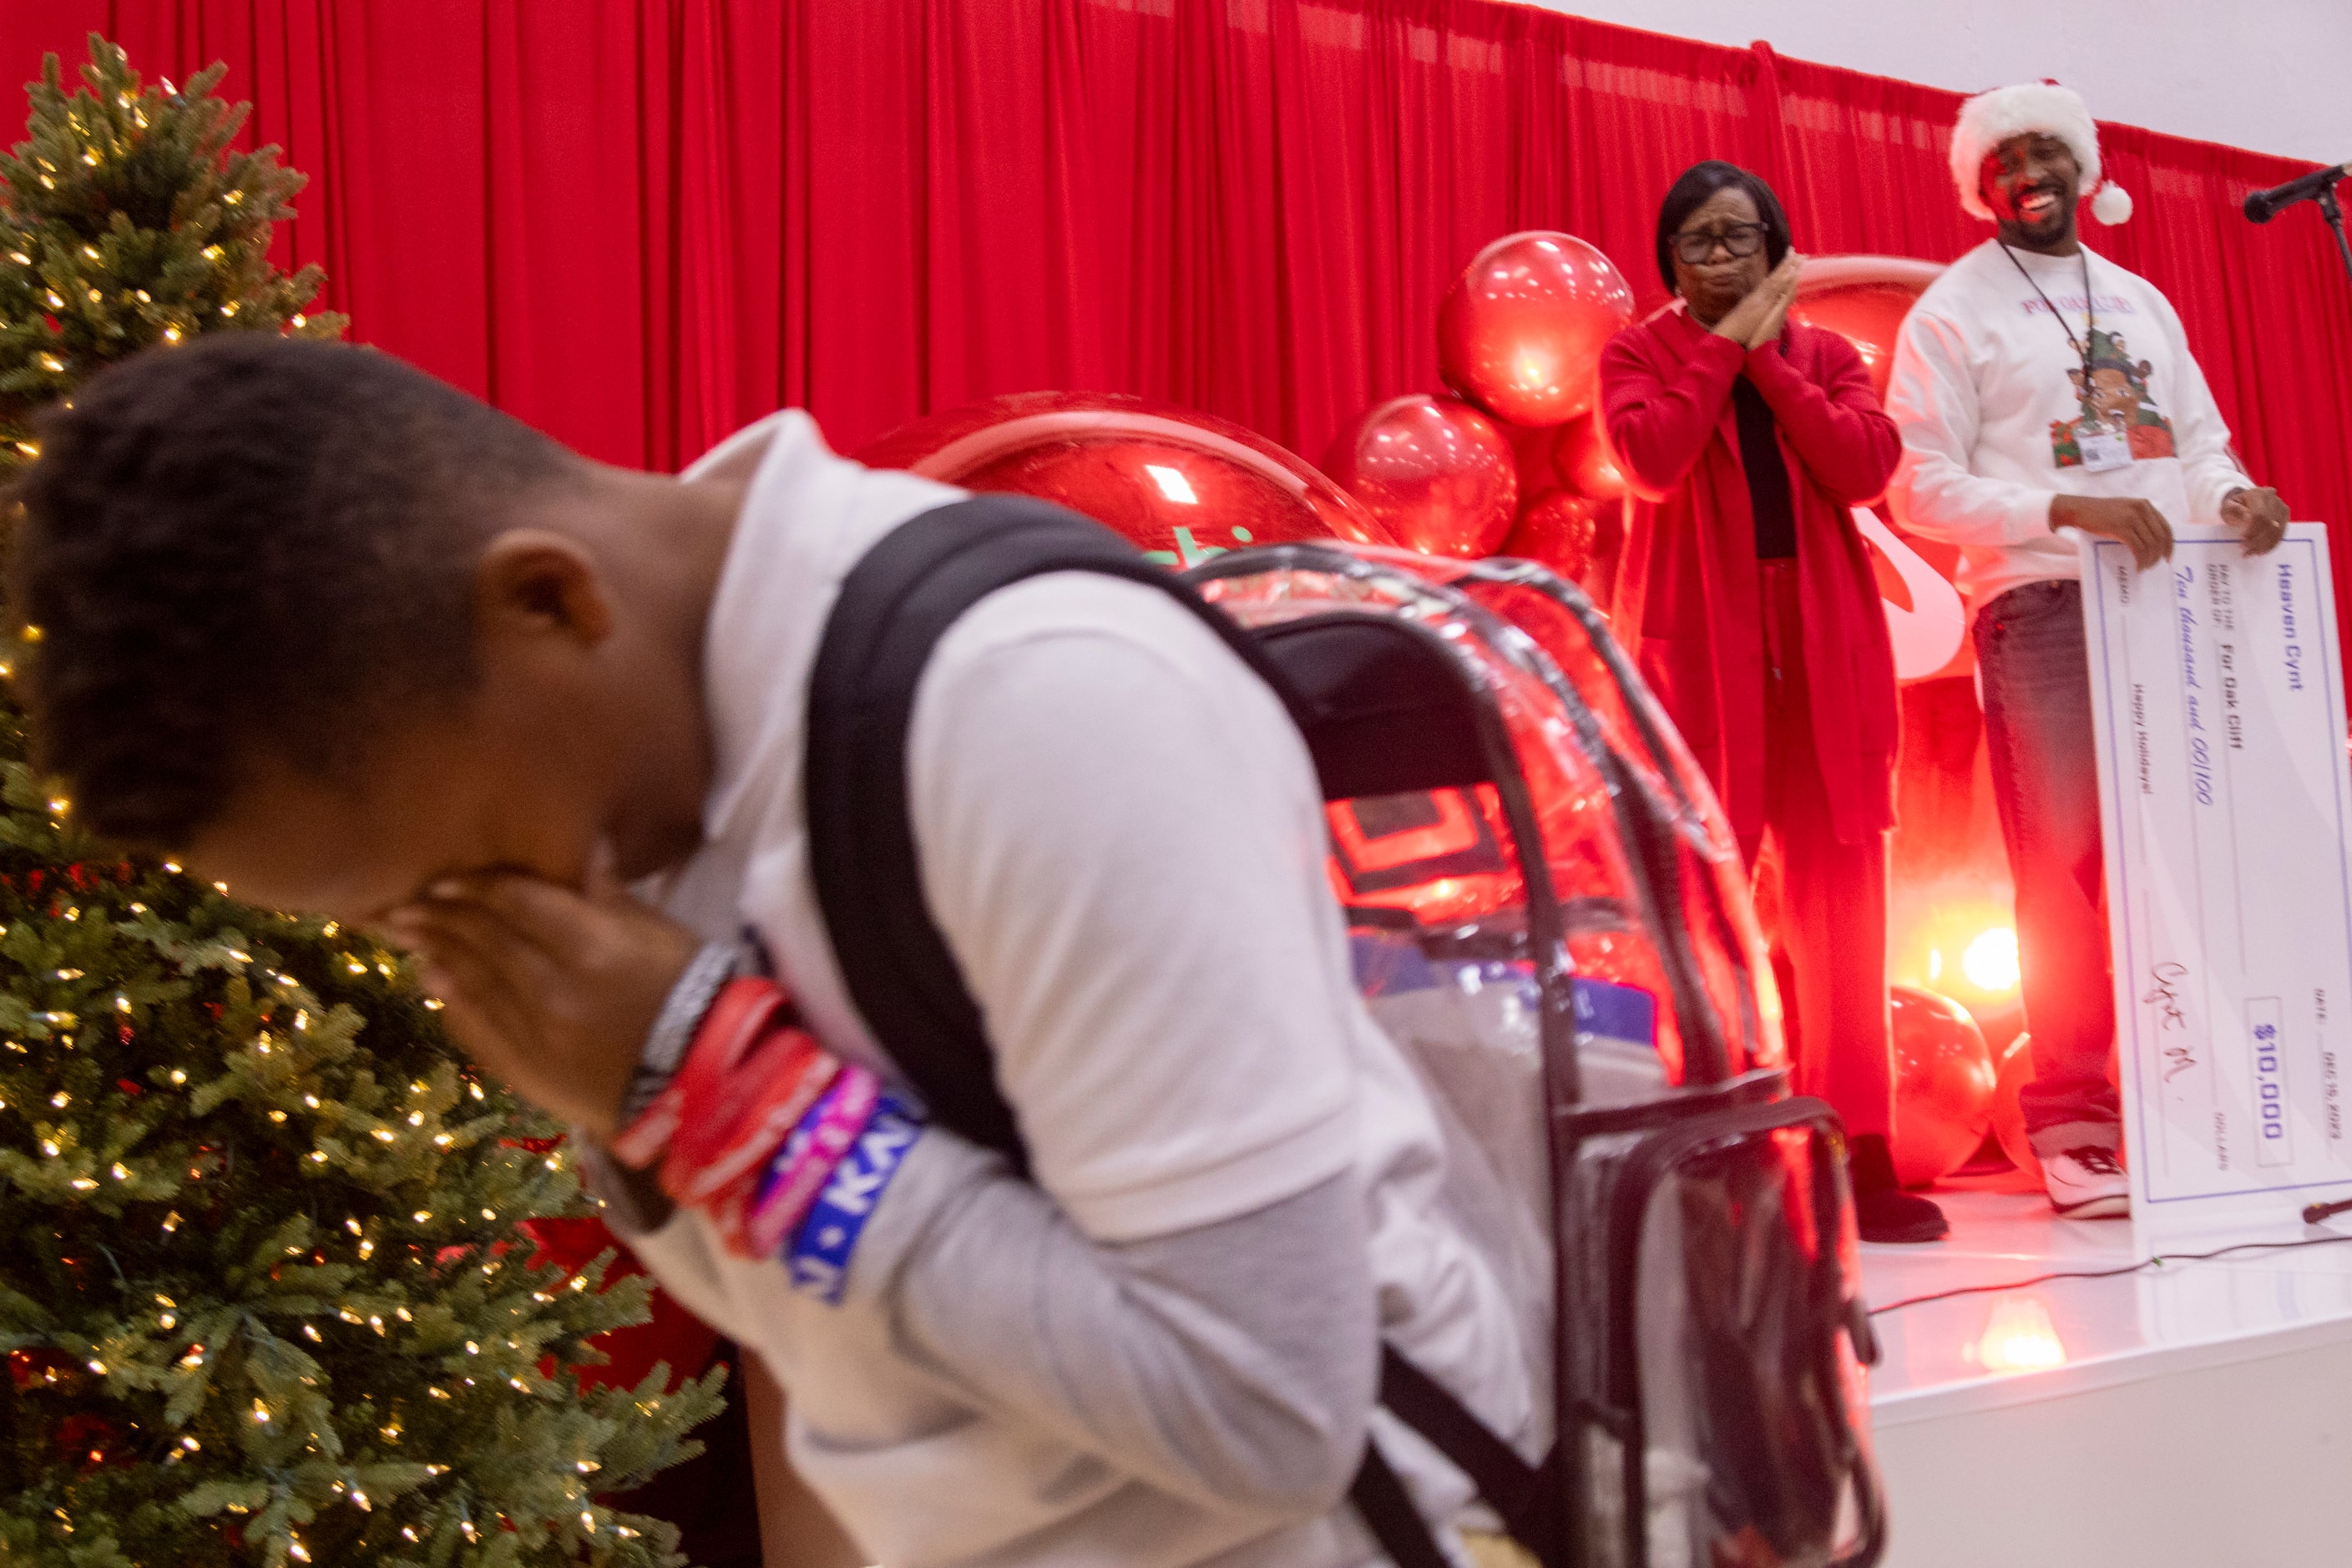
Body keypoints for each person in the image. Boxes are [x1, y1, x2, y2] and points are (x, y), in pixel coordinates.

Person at [8, 336, 1535, 1567]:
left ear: (549, 598)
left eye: (449, 874)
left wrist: (724, 1097)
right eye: (382, 919)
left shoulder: (1034, 706)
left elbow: (1264, 1406)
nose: (448, 944)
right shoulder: (618, 773)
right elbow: (871, 1365)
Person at [1887, 83, 2292, 1219]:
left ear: (2080, 168)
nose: (2030, 173)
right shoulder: (1951, 313)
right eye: (2005, 158)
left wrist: (2235, 496)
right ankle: (2072, 1122)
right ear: (1979, 184)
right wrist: (2065, 510)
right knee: (2062, 867)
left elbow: (2200, 446)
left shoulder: (2137, 300)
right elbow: (1915, 482)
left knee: (2187, 853)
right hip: (2043, 604)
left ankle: (2209, 1098)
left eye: (2047, 153)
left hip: (2172, 599)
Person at [1600, 161, 1945, 1245]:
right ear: (1670, 262)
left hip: (1824, 649)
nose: (1722, 259)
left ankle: (1857, 1144)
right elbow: (1650, 455)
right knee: (1705, 903)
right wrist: (1718, 347)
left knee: (1843, 894)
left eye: (1740, 239)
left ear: (1775, 249)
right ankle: (1713, 1137)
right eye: (1699, 243)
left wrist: (1765, 356)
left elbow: (1858, 468)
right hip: (1699, 654)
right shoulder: (1635, 353)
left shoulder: (1829, 355)